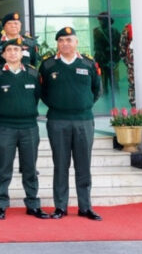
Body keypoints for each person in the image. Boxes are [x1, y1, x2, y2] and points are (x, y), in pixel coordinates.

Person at [39, 27, 102, 221]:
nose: (65, 43)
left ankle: (85, 207)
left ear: (76, 42)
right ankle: (60, 207)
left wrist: (83, 105)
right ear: (57, 43)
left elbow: (97, 90)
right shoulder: (48, 65)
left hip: (84, 120)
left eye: (69, 40)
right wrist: (58, 105)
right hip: (58, 121)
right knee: (60, 165)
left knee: (83, 165)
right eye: (61, 40)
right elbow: (43, 92)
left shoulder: (89, 64)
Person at [0, 38, 50, 220]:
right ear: (3, 54)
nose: (13, 53)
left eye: (16, 50)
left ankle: (33, 204)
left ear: (22, 53)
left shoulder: (32, 73)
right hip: (5, 127)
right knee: (3, 168)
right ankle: (1, 205)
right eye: (9, 50)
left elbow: (37, 96)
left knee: (30, 168)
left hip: (29, 127)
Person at [0, 12, 39, 155]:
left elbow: (34, 65)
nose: (14, 26)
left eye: (16, 23)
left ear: (20, 25)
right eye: (10, 23)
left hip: (25, 88)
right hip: (2, 88)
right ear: (4, 27)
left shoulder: (30, 43)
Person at [93, 12, 121, 96]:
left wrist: (115, 60)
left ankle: (117, 100)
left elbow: (119, 48)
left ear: (106, 21)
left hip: (111, 60)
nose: (100, 22)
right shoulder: (97, 31)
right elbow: (98, 49)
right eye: (100, 20)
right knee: (103, 83)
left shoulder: (115, 32)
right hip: (102, 60)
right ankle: (107, 101)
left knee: (113, 83)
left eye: (101, 20)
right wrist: (111, 61)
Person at [120, 22, 135, 107]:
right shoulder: (128, 28)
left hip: (132, 63)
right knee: (133, 86)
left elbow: (122, 51)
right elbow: (122, 51)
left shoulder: (128, 28)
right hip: (133, 63)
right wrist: (129, 64)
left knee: (133, 86)